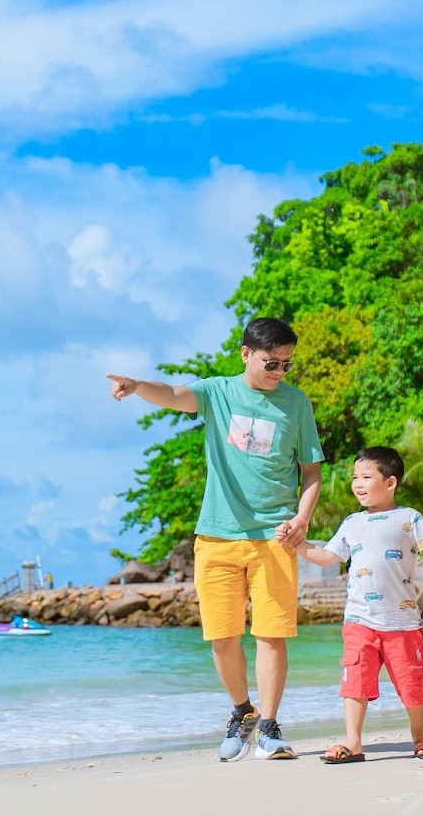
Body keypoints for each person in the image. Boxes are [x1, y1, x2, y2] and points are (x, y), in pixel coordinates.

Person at [108, 317, 324, 762]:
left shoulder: (296, 404)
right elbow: (173, 394)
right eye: (271, 363)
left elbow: (311, 471)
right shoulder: (217, 393)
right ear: (246, 354)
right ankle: (243, 712)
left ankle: (269, 728)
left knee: (271, 636)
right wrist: (138, 386)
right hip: (217, 536)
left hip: (275, 536)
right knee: (223, 638)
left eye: (286, 364)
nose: (279, 372)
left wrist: (302, 517)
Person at [280, 446, 423, 764]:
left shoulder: (408, 518)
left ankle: (419, 732)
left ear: (390, 482)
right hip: (359, 618)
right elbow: (328, 556)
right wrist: (297, 543)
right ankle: (353, 742)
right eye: (355, 477)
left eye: (366, 477)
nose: (358, 484)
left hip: (402, 621)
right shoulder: (352, 522)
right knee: (355, 678)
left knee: (411, 679)